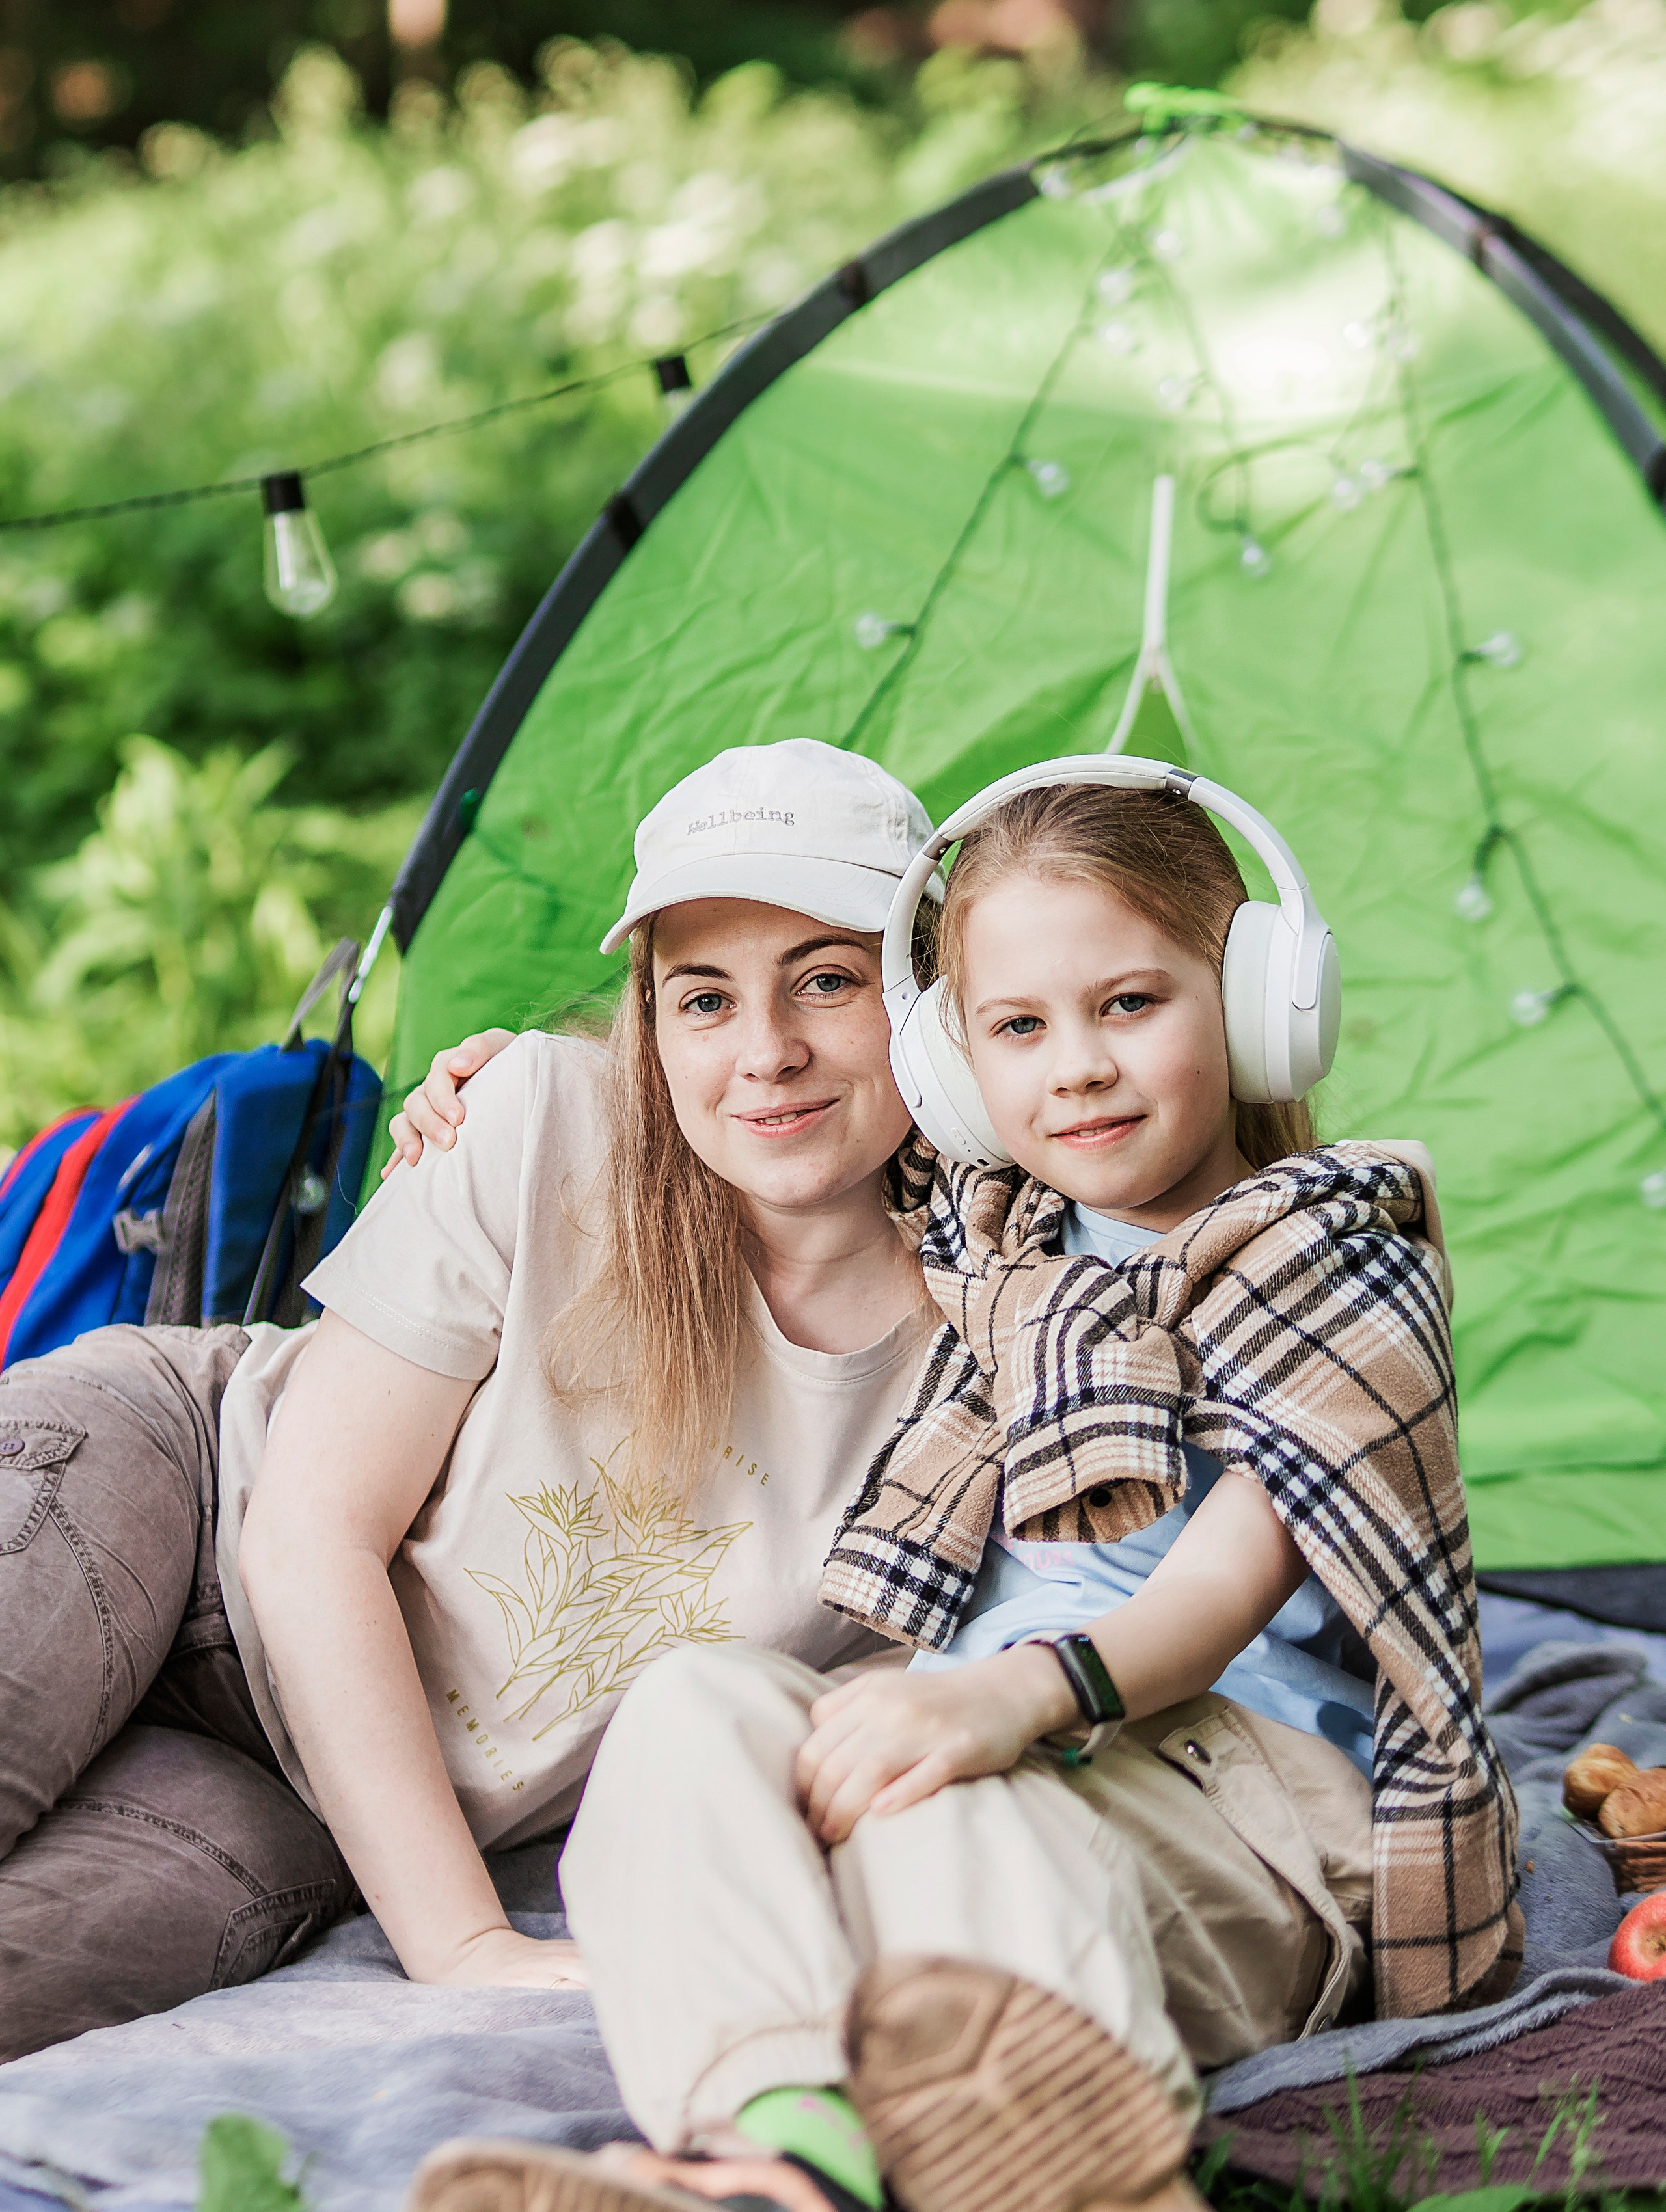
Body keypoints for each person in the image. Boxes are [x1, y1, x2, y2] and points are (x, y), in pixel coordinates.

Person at [400, 774, 1519, 2212]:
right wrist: (518, 1085)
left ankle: (1084, 2170)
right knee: (690, 1708)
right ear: (949, 1067)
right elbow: (780, 1115)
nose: (1076, 1070)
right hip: (1006, 1745)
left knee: (935, 1797)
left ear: (1253, 1001)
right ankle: (781, 2146)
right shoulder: (1002, 1231)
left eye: (1128, 1004)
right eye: (1015, 1028)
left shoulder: (1332, 1256)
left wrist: (999, 1699)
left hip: (1233, 1793)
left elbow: (1205, 1597)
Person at [0, 740, 942, 2064]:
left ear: (928, 992)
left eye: (826, 981)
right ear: (651, 1015)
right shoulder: (542, 1120)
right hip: (183, 1491)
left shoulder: (1004, 1330)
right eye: (704, 998)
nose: (765, 1053)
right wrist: (463, 1949)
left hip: (301, 1786)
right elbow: (306, 1528)